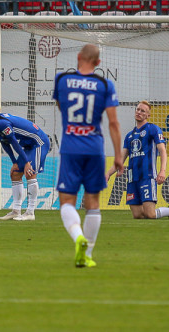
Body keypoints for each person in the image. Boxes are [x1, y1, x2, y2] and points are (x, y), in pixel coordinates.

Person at [53, 44, 122, 268]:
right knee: (93, 203)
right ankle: (88, 254)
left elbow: (61, 106)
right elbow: (113, 122)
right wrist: (118, 155)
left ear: (78, 57)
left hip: (71, 147)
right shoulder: (104, 84)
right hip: (95, 147)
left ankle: (78, 238)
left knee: (67, 201)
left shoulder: (62, 80)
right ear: (98, 63)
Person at [106, 101, 169, 219]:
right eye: (138, 110)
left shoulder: (153, 129)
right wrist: (108, 174)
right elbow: (120, 158)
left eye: (142, 111)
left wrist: (162, 171)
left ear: (148, 115)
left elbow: (162, 150)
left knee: (150, 214)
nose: (139, 112)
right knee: (138, 215)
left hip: (147, 176)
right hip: (132, 179)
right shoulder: (129, 136)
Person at [0, 113, 50, 221]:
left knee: (30, 173)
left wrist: (26, 163)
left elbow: (14, 143)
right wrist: (14, 162)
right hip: (29, 145)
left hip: (39, 142)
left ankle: (30, 213)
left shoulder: (2, 124)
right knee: (15, 174)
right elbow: (6, 144)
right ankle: (16, 211)